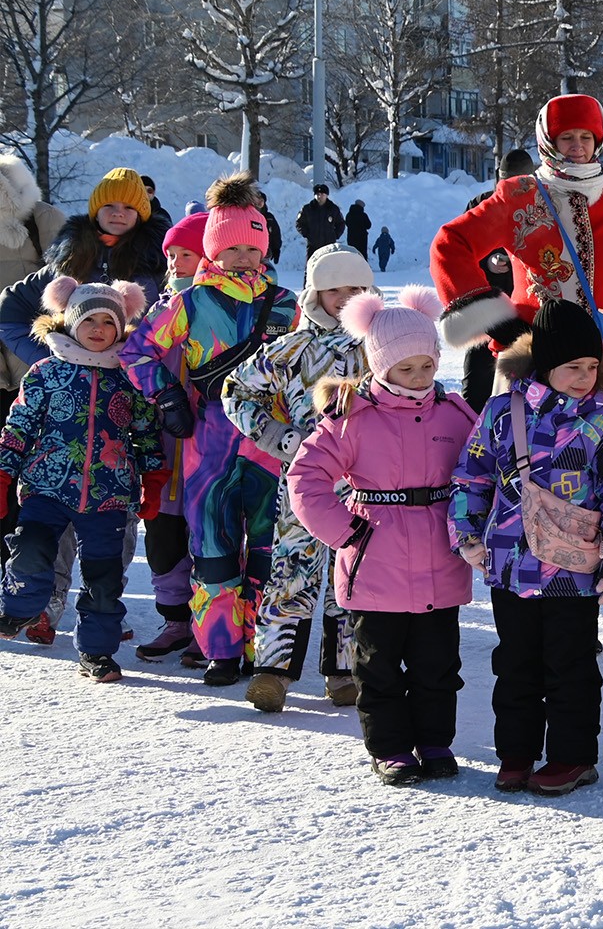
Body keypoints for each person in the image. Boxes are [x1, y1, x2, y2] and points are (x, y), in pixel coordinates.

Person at [449, 299, 603, 796]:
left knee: (571, 666)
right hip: (511, 565)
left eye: (592, 367)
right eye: (572, 366)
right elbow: (472, 474)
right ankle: (516, 752)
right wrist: (467, 532)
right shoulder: (502, 410)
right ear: (545, 363)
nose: (584, 376)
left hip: (573, 572)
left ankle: (572, 757)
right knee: (515, 665)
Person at [287, 287, 478, 785]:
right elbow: (306, 476)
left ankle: (435, 742)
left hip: (440, 559)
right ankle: (390, 748)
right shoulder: (352, 416)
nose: (418, 378)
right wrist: (346, 531)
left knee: (438, 665)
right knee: (378, 667)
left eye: (427, 367)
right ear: (379, 365)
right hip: (375, 563)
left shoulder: (455, 415)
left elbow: (485, 472)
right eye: (406, 369)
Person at [122, 175, 300, 687]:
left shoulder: (287, 305)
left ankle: (266, 648)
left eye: (252, 246)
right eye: (231, 248)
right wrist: (167, 395)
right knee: (214, 546)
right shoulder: (191, 303)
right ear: (213, 250)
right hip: (211, 440)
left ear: (264, 247)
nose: (243, 256)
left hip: (273, 441)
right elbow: (138, 350)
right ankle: (222, 649)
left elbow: (314, 363)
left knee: (269, 548)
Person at [430, 94, 603, 414]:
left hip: (598, 359)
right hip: (530, 352)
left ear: (598, 141)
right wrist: (494, 319)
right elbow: (450, 242)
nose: (577, 146)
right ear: (548, 141)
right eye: (566, 137)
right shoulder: (519, 196)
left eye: (586, 137)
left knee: (601, 453)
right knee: (524, 452)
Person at [0, 165, 167, 640]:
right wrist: (57, 361)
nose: (118, 214)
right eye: (109, 205)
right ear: (95, 210)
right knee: (51, 524)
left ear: (142, 212)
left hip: (126, 394)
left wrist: (146, 373)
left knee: (107, 528)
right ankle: (44, 607)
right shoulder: (70, 256)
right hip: (65, 414)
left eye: (129, 207)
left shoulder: (156, 262)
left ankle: (101, 616)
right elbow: (11, 313)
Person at [223, 243, 377, 712]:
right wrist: (276, 437)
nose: (345, 297)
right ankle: (272, 671)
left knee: (353, 570)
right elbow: (235, 390)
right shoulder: (291, 348)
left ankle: (344, 669)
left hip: (365, 483)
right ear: (315, 294)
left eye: (355, 288)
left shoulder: (379, 346)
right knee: (292, 571)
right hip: (304, 483)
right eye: (335, 289)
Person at [0, 278, 162, 683]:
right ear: (70, 322)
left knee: (103, 580)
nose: (97, 329)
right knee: (32, 550)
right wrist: (3, 473)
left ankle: (97, 652)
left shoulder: (128, 377)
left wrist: (154, 477)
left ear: (119, 328)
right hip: (46, 486)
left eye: (108, 322)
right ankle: (19, 608)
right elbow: (18, 427)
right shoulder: (45, 373)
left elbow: (144, 432)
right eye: (88, 320)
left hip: (110, 495)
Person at [132, 211, 210, 663]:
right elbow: (137, 358)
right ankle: (175, 619)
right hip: (162, 445)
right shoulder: (160, 310)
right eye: (172, 255)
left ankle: (211, 624)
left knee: (211, 539)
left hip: (208, 448)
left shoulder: (224, 310)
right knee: (162, 536)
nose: (178, 263)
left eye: (188, 254)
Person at [0, 154, 66, 561]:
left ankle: (29, 580)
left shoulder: (40, 221)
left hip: (36, 373)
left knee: (34, 480)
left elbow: (72, 286)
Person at [461, 249, 515, 414]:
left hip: (525, 318)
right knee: (477, 389)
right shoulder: (486, 227)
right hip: (487, 320)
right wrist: (488, 263)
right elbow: (466, 257)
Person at [296, 184, 345, 269]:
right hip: (313, 245)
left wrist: (335, 235)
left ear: (326, 195)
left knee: (329, 269)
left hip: (329, 246)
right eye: (317, 194)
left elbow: (341, 223)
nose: (320, 196)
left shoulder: (333, 209)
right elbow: (299, 223)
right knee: (311, 269)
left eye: (322, 194)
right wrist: (307, 234)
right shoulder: (308, 209)